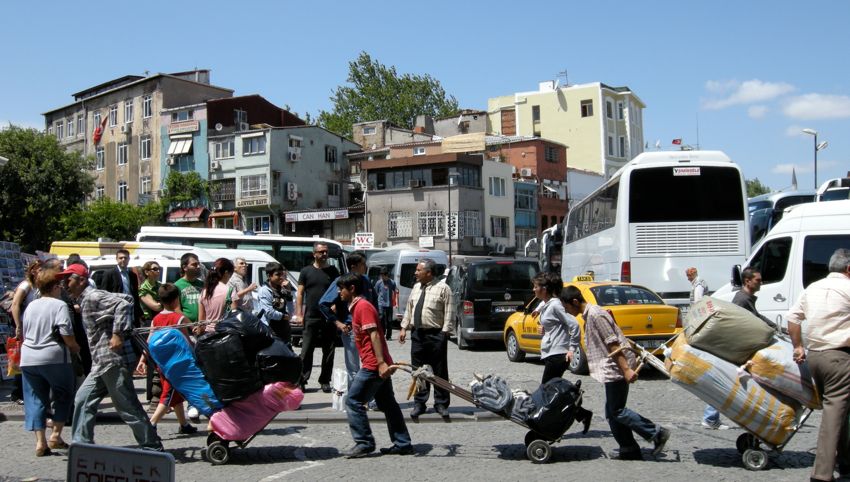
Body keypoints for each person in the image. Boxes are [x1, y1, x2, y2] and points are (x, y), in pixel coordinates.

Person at [560, 286, 670, 460]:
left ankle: (656, 433)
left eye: (567, 307)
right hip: (611, 366)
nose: (567, 311)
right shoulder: (590, 315)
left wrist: (626, 369)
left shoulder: (596, 315)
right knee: (612, 411)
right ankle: (629, 448)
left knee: (617, 410)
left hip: (616, 366)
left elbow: (613, 344)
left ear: (574, 302)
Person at [61, 263, 162, 451]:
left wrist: (117, 333)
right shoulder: (85, 299)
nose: (64, 282)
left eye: (69, 278)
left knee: (127, 407)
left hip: (110, 361)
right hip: (101, 362)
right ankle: (81, 446)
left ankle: (152, 446)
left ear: (82, 280)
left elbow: (125, 302)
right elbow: (123, 300)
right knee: (83, 400)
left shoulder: (92, 296)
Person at [788, 249, 850, 482]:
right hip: (840, 358)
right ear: (849, 269)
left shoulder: (812, 288)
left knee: (840, 410)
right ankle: (822, 474)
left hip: (815, 358)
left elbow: (793, 319)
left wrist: (798, 347)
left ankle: (845, 463)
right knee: (834, 413)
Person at [337, 273, 413, 458]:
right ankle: (402, 443)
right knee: (388, 404)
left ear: (352, 289)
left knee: (353, 401)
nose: (339, 292)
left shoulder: (363, 307)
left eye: (342, 289)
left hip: (373, 364)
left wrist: (380, 363)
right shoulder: (355, 307)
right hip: (377, 362)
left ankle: (364, 442)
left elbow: (375, 336)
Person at [19, 267, 81, 456]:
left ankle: (40, 442)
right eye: (60, 285)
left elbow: (24, 330)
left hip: (28, 357)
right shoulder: (59, 305)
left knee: (35, 398)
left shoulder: (31, 305)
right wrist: (74, 347)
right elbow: (65, 331)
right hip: (54, 357)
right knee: (64, 394)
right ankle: (56, 434)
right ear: (55, 287)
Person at [534, 272, 593, 433]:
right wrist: (544, 329)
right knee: (551, 391)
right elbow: (554, 324)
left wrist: (572, 348)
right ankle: (581, 414)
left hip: (559, 354)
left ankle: (547, 426)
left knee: (546, 391)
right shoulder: (548, 304)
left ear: (544, 289)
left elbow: (573, 325)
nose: (533, 290)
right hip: (551, 352)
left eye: (536, 286)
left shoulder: (555, 305)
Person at [399, 258, 454, 420]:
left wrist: (444, 333)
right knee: (418, 370)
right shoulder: (416, 287)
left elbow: (449, 312)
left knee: (439, 370)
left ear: (428, 273)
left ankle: (441, 403)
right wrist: (404, 327)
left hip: (436, 334)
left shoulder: (443, 288)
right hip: (417, 335)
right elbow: (409, 309)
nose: (415, 273)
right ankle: (420, 403)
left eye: (418, 270)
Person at [319, 252, 377, 387]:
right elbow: (323, 304)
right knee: (354, 369)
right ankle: (355, 400)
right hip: (351, 331)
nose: (366, 266)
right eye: (363, 264)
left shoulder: (366, 280)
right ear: (353, 266)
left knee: (372, 364)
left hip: (369, 329)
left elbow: (374, 302)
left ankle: (372, 398)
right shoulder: (341, 282)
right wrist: (338, 323)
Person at [146, 284, 197, 435]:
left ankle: (183, 425)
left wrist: (143, 360)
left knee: (176, 394)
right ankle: (151, 424)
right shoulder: (179, 318)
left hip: (161, 363)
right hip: (177, 364)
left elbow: (149, 340)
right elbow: (187, 342)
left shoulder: (156, 319)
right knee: (168, 395)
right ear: (177, 300)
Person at [293, 242, 340, 393]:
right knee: (306, 350)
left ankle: (325, 380)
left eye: (326, 252)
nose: (324, 254)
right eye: (321, 252)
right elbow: (299, 293)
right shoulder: (306, 271)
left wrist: (336, 305)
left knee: (329, 350)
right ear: (314, 254)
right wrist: (299, 314)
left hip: (328, 317)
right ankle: (302, 379)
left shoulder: (333, 271)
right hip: (311, 316)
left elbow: (340, 291)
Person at [687, 267, 725, 430]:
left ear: (694, 273)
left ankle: (711, 418)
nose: (688, 278)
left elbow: (698, 301)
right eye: (687, 275)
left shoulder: (699, 284)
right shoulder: (696, 283)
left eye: (689, 275)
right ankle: (710, 418)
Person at [10, 259, 42, 405]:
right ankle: (17, 393)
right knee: (21, 359)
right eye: (39, 269)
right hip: (24, 326)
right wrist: (18, 326)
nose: (41, 271)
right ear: (33, 270)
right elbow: (15, 304)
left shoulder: (40, 286)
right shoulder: (26, 285)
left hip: (36, 326)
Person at [136, 261, 163, 408]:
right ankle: (152, 394)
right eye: (154, 269)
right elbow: (155, 305)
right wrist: (163, 302)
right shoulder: (143, 288)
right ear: (147, 272)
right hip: (149, 322)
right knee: (150, 357)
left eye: (158, 269)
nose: (157, 271)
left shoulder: (158, 286)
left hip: (160, 321)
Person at [101, 249, 143, 325]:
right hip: (116, 310)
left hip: (130, 309)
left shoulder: (132, 275)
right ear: (116, 259)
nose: (123, 260)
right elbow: (104, 294)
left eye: (125, 258)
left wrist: (139, 312)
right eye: (121, 258)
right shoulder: (109, 274)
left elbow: (135, 294)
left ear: (129, 259)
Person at [256, 262, 293, 343]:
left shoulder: (283, 289)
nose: (281, 277)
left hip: (284, 330)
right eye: (278, 275)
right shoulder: (264, 290)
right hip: (271, 331)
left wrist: (289, 293)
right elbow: (268, 312)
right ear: (269, 276)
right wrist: (283, 316)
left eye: (282, 274)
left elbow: (290, 312)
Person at [196, 258, 235, 334]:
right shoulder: (230, 291)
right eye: (231, 275)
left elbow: (201, 322)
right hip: (225, 334)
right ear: (226, 272)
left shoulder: (204, 292)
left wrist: (198, 333)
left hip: (208, 335)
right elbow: (235, 316)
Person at [374, 267, 398, 340]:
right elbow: (376, 293)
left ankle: (389, 336)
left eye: (384, 275)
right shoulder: (379, 282)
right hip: (381, 304)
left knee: (389, 320)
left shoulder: (392, 282)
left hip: (389, 304)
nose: (382, 277)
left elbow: (396, 292)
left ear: (387, 275)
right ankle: (382, 334)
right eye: (381, 275)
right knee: (381, 319)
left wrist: (396, 302)